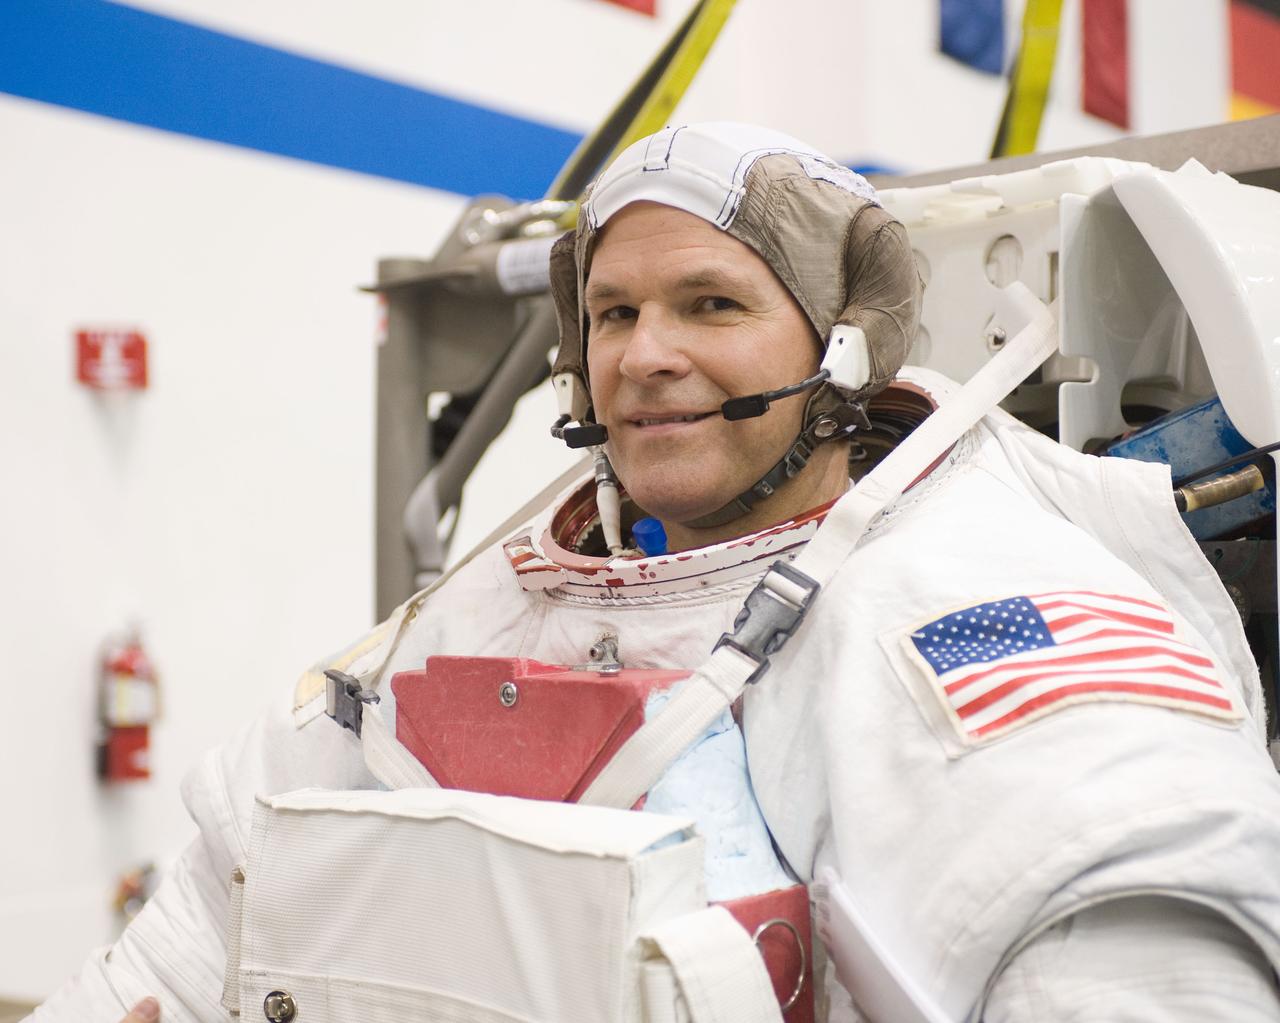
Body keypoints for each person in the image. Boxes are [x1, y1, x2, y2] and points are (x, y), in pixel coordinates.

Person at [34, 122, 1280, 1022]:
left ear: (843, 343)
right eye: (615, 313)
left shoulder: (981, 604)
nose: (646, 355)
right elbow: (215, 902)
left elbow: (1146, 956)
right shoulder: (496, 602)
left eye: (710, 305)